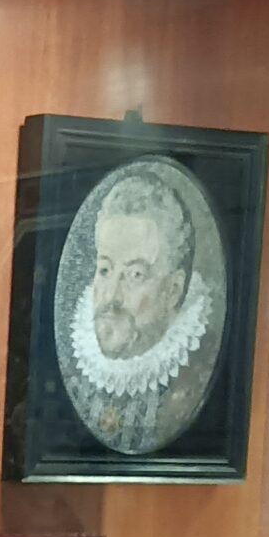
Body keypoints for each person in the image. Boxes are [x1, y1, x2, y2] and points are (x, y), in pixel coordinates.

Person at [57, 161, 222, 455]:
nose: (112, 296)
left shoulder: (196, 369)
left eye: (135, 275)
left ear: (173, 290)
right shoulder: (74, 360)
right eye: (105, 270)